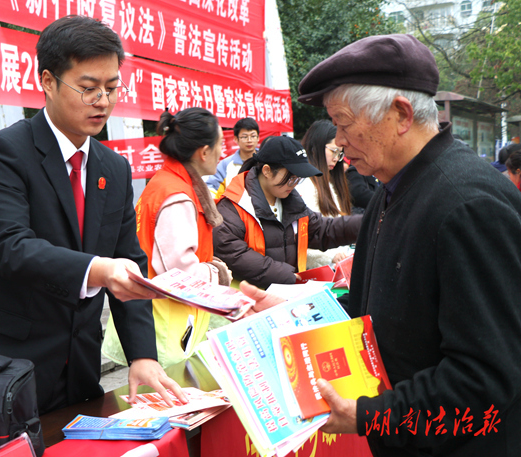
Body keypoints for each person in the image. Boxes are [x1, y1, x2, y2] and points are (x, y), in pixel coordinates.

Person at [0, 15, 187, 416]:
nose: (103, 102)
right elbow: (8, 247)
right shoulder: (2, 153)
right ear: (48, 82)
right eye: (88, 88)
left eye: (112, 88)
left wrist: (143, 355)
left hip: (76, 367)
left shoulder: (113, 168)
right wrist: (99, 269)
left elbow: (130, 264)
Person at [297, 33, 521, 456]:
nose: (338, 142)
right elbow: (372, 308)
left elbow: (483, 377)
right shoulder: (390, 189)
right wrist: (295, 316)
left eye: (344, 124)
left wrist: (370, 416)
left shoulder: (467, 204)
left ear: (400, 114)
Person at [103, 107, 232, 369]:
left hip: (156, 314)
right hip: (165, 322)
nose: (223, 153)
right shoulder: (177, 195)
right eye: (220, 144)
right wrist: (218, 272)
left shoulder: (168, 183)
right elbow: (180, 272)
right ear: (203, 151)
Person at [212, 135, 362, 289]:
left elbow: (322, 230)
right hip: (248, 302)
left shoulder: (291, 201)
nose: (294, 184)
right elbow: (238, 257)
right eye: (291, 178)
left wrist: (364, 224)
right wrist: (292, 277)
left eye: (298, 179)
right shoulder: (233, 207)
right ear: (267, 171)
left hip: (287, 294)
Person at [298, 120, 355, 268]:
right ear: (315, 148)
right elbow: (301, 239)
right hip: (318, 270)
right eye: (333, 151)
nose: (336, 158)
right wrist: (331, 256)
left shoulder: (329, 184)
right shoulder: (304, 186)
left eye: (340, 154)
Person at [204, 117, 260, 198]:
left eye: (253, 136)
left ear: (258, 138)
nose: (249, 140)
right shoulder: (226, 164)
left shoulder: (265, 160)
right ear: (236, 139)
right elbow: (211, 187)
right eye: (244, 137)